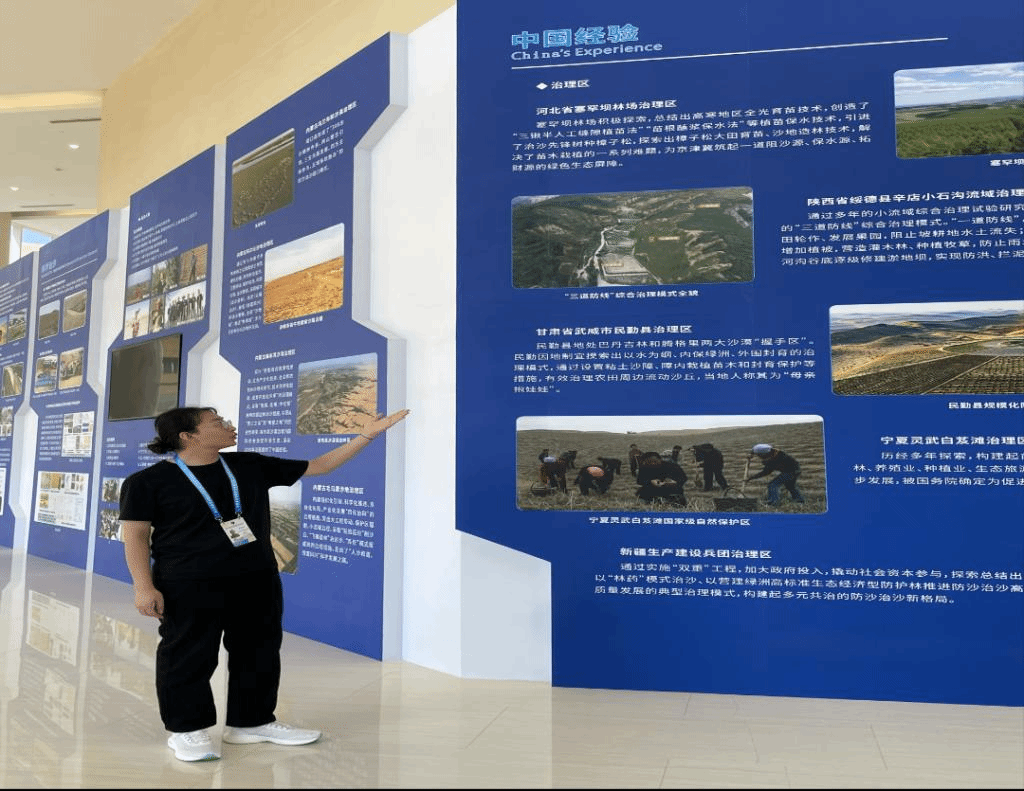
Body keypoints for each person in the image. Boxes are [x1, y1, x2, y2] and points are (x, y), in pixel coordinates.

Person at [119, 405, 409, 762]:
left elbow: (319, 466)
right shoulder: (147, 482)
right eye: (217, 422)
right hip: (187, 583)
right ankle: (187, 729)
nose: (229, 425)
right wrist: (143, 586)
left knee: (259, 652)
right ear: (188, 436)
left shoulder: (248, 465)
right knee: (188, 655)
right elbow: (134, 535)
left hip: (256, 578)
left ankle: (251, 722)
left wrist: (367, 435)